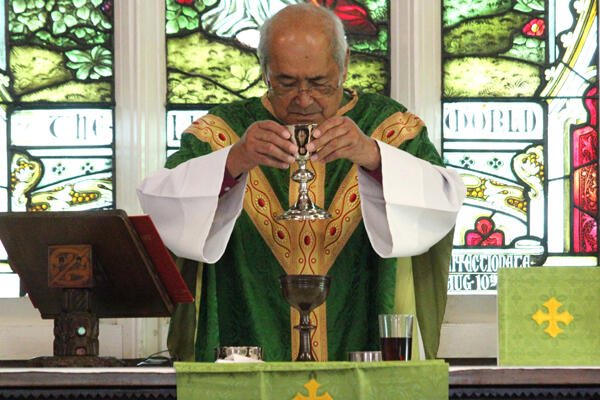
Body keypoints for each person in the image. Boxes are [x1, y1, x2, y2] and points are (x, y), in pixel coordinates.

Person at [137, 3, 465, 362]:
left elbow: (444, 200)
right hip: (246, 340)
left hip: (363, 336)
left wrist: (374, 157)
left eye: (319, 83)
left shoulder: (389, 128)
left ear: (344, 65)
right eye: (287, 83)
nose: (304, 99)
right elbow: (160, 204)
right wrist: (233, 162)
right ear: (264, 70)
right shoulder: (224, 132)